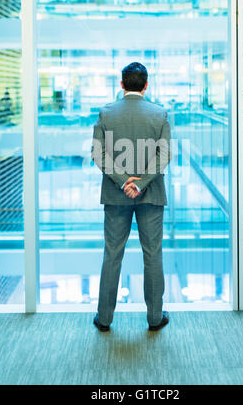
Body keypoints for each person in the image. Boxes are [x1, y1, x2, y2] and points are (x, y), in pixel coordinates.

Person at [91, 62, 171, 332]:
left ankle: (104, 319)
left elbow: (98, 155)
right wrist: (142, 183)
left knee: (112, 255)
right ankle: (154, 318)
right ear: (146, 85)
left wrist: (125, 181)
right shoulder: (160, 114)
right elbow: (165, 155)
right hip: (151, 196)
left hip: (116, 196)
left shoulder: (106, 113)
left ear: (122, 84)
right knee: (153, 255)